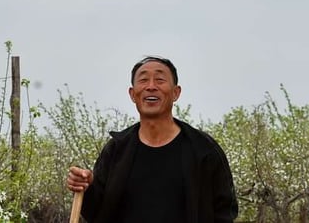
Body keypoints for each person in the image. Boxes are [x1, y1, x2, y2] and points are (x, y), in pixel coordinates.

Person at [66, 56, 238, 223]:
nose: (151, 86)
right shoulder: (117, 150)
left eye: (160, 79)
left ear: (176, 93)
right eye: (143, 80)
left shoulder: (204, 150)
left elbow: (224, 211)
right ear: (133, 94)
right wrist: (86, 188)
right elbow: (97, 212)